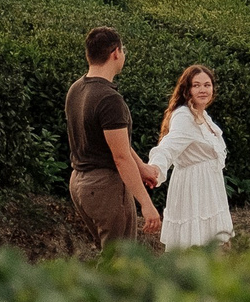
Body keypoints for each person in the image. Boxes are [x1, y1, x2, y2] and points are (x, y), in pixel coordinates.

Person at [65, 26, 160, 246]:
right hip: (104, 186)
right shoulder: (109, 99)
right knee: (118, 263)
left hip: (79, 183)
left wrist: (142, 167)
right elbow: (120, 157)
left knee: (108, 257)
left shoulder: (76, 89)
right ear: (115, 52)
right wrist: (146, 204)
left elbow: (115, 142)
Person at [147, 64, 233, 250]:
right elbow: (168, 146)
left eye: (207, 85)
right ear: (187, 89)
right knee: (193, 244)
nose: (203, 89)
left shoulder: (202, 115)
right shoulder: (184, 116)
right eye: (196, 85)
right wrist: (155, 167)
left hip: (210, 187)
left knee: (213, 245)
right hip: (194, 187)